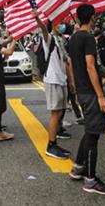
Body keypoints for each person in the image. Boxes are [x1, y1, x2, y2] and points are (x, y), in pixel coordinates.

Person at [67, 4, 105, 196]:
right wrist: (101, 96)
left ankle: (78, 167)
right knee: (93, 135)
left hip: (81, 91)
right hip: (90, 92)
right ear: (92, 17)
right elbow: (90, 66)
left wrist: (74, 85)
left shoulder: (73, 38)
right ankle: (90, 180)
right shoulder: (87, 38)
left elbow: (70, 63)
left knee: (89, 131)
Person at [32, 10, 75, 160]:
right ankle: (51, 145)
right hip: (53, 79)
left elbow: (66, 61)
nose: (63, 24)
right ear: (53, 25)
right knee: (55, 113)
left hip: (61, 80)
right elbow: (44, 30)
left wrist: (71, 81)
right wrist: (37, 18)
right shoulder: (49, 39)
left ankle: (55, 141)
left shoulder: (60, 41)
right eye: (60, 22)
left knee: (60, 112)